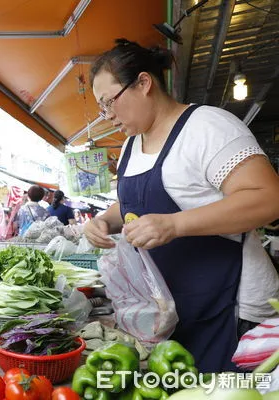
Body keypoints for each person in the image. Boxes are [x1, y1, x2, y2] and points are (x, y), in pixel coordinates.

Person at [83, 39, 279, 373]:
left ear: (144, 83)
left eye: (109, 102)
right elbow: (131, 204)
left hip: (228, 311)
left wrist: (174, 225)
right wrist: (103, 221)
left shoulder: (206, 127)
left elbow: (267, 198)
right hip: (170, 311)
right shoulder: (132, 145)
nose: (108, 115)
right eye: (102, 108)